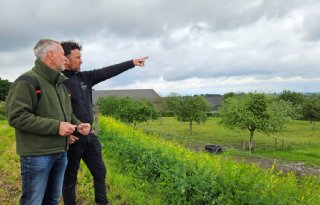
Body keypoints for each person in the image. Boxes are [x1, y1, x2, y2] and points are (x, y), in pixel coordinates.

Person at [61, 40, 148, 205]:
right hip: (71, 139)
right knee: (69, 178)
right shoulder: (57, 82)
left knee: (100, 172)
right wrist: (65, 135)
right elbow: (51, 110)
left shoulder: (84, 77)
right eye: (77, 57)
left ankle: (102, 202)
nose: (81, 60)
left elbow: (107, 71)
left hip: (90, 137)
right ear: (65, 59)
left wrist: (131, 63)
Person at [5, 39, 91, 205]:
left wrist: (77, 125)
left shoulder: (59, 83)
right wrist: (57, 127)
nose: (65, 59)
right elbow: (16, 116)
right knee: (33, 201)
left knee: (52, 199)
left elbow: (66, 113)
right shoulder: (27, 81)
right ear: (51, 55)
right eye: (62, 55)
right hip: (37, 155)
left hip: (60, 152)